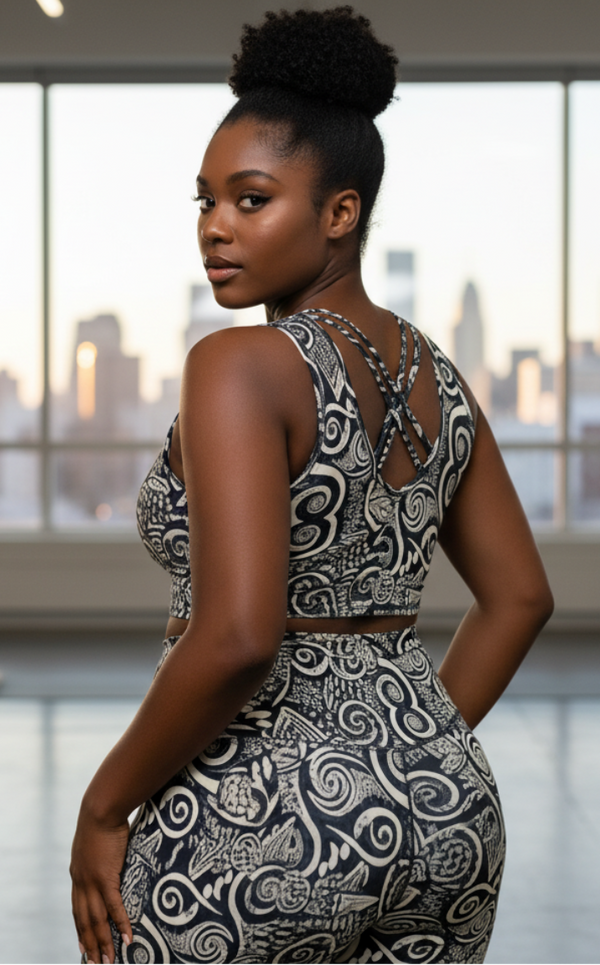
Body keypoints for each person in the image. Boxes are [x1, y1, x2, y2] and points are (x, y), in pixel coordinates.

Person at [70, 8, 554, 965]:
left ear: (341, 213)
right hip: (446, 810)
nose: (215, 227)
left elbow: (240, 635)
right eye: (204, 200)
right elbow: (522, 596)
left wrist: (103, 802)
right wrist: (404, 756)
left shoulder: (239, 367)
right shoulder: (437, 374)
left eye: (251, 200)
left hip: (256, 822)